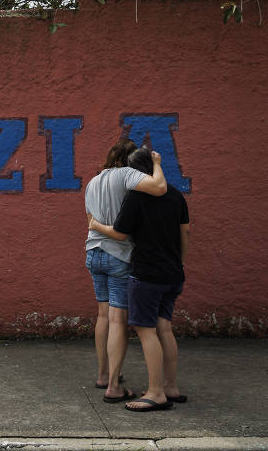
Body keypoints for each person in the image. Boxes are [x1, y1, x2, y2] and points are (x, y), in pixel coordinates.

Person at [89, 147, 190, 412]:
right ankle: (170, 387)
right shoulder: (177, 195)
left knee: (145, 331)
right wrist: (180, 261)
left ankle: (154, 392)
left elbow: (121, 233)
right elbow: (186, 232)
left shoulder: (134, 198)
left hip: (145, 272)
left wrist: (96, 225)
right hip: (172, 272)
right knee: (164, 328)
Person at [84, 139, 167, 403]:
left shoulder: (93, 181)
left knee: (102, 316)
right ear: (130, 159)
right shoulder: (126, 174)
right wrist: (155, 164)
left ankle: (102, 374)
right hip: (117, 255)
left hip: (93, 252)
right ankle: (113, 387)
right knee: (118, 320)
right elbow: (159, 187)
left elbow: (90, 219)